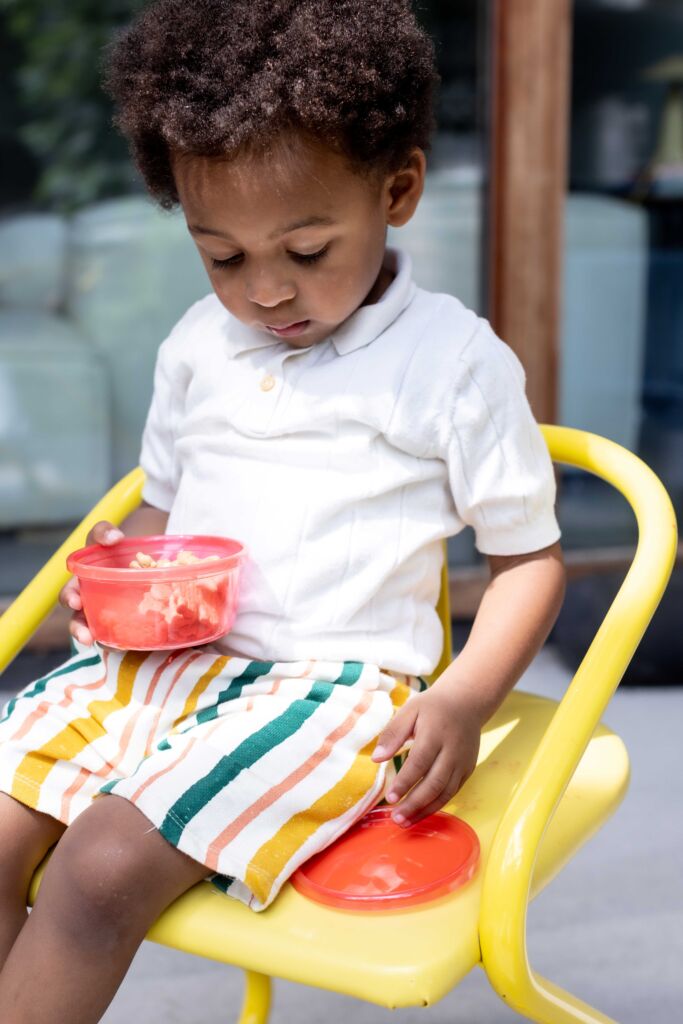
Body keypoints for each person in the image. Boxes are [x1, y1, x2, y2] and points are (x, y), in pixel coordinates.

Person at [0, 1, 565, 1020]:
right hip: (165, 668)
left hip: (330, 688)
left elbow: (528, 561)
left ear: (395, 189)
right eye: (223, 257)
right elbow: (164, 525)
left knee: (98, 869)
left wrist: (463, 696)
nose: (264, 292)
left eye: (306, 251)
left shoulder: (450, 362)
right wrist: (121, 574)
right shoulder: (194, 347)